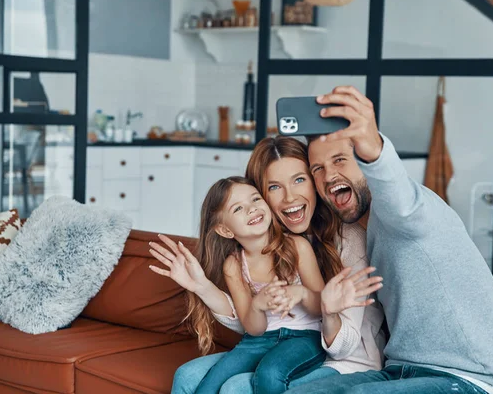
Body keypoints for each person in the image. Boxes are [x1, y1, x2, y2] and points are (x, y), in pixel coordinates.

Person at [284, 86, 493, 394]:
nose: (328, 176)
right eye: (318, 169)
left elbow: (399, 197)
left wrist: (373, 148)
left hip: (471, 380)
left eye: (340, 160)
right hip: (401, 372)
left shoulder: (408, 210)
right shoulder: (356, 233)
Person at [149, 136, 385, 393]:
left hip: (345, 359)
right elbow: (254, 325)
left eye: (299, 179)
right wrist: (203, 286)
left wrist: (312, 301)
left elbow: (342, 343)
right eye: (274, 187)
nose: (289, 197)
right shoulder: (256, 245)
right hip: (271, 344)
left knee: (236, 387)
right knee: (186, 375)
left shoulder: (346, 240)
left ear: (315, 182)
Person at [164, 175, 327, 394]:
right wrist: (257, 305)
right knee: (210, 384)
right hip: (259, 340)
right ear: (225, 230)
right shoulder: (234, 265)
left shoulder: (297, 246)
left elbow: (322, 307)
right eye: (238, 209)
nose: (251, 209)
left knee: (269, 373)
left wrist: (302, 294)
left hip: (305, 337)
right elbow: (254, 329)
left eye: (255, 199)